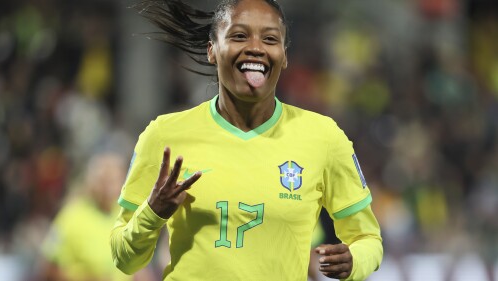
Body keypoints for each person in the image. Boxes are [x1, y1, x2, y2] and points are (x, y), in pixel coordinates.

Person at [110, 0, 383, 280]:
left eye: (270, 39)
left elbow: (368, 239)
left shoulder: (324, 137)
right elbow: (123, 259)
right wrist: (152, 213)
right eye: (239, 36)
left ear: (284, 56)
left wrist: (355, 262)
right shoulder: (163, 136)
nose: (255, 47)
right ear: (212, 50)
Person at [39, 151, 157, 281]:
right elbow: (48, 270)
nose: (106, 187)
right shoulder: (71, 216)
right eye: (102, 180)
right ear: (91, 181)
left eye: (112, 180)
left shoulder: (129, 215)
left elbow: (139, 268)